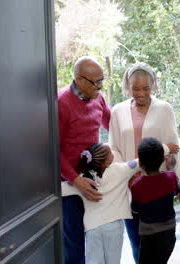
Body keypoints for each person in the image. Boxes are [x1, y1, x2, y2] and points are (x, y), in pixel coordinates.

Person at [109, 62, 180, 263]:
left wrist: (178, 185)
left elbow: (173, 149)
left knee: (161, 245)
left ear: (153, 85)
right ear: (127, 86)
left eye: (146, 88)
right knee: (138, 244)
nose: (141, 93)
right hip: (129, 188)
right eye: (135, 88)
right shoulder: (118, 111)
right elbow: (114, 149)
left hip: (158, 188)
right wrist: (127, 176)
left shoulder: (164, 109)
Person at [61, 142, 177, 264]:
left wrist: (75, 181)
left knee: (94, 261)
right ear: (106, 162)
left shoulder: (82, 181)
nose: (113, 153)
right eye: (110, 152)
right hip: (114, 228)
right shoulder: (121, 170)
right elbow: (141, 160)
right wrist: (167, 148)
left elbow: (61, 190)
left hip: (92, 230)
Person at [58, 56, 111, 264]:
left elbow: (112, 125)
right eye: (96, 81)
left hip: (93, 177)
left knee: (97, 240)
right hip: (69, 184)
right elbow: (53, 150)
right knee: (74, 246)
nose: (100, 86)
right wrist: (76, 180)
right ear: (80, 80)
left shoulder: (99, 97)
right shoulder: (62, 103)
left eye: (102, 80)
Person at [130, 137, 180, 264]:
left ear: (140, 163)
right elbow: (176, 189)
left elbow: (135, 210)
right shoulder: (171, 177)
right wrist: (171, 168)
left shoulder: (137, 185)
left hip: (149, 238)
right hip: (169, 235)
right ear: (163, 159)